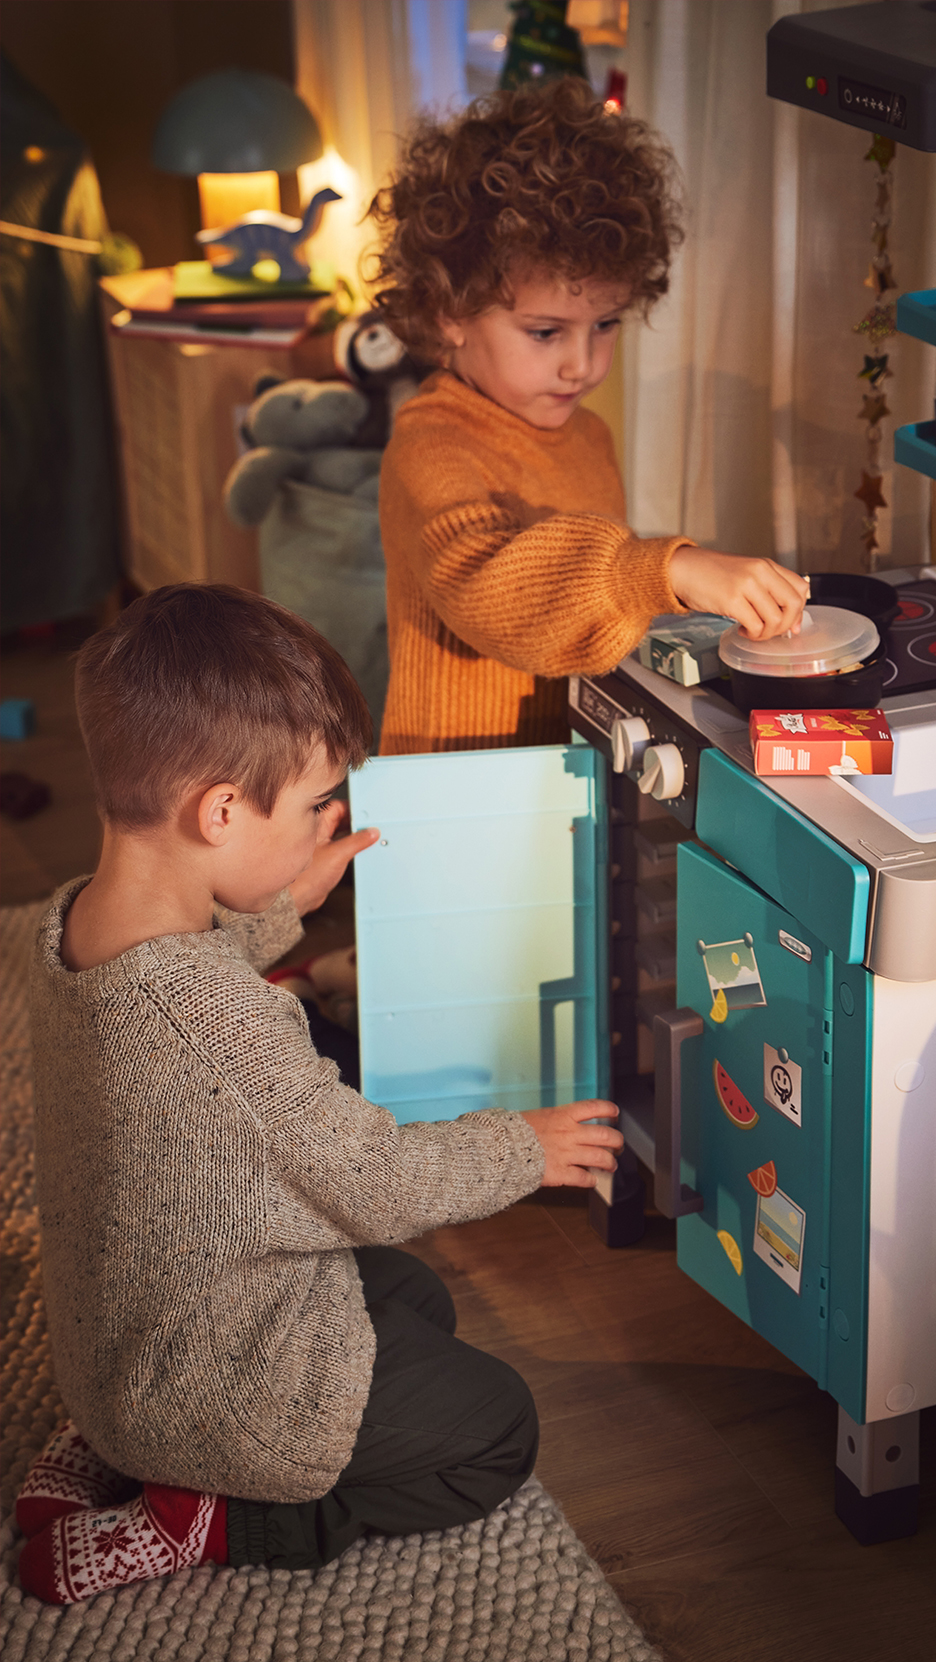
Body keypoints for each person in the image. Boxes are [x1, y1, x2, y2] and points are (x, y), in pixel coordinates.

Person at [17, 583, 623, 1605]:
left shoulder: (66, 926)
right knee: (493, 1432)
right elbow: (375, 1180)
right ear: (218, 812)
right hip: (196, 1383)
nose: (329, 823)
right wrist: (525, 1145)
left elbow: (174, 1022)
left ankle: (126, 1437)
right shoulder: (222, 1029)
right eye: (311, 806)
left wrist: (276, 906)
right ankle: (209, 1513)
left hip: (120, 1345)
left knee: (409, 1297)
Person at [369, 77, 809, 756]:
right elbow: (491, 590)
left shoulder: (587, 434)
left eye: (604, 324)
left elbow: (590, 612)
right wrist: (668, 570)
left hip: (569, 772)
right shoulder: (430, 445)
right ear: (447, 313)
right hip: (463, 795)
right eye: (545, 333)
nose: (582, 363)